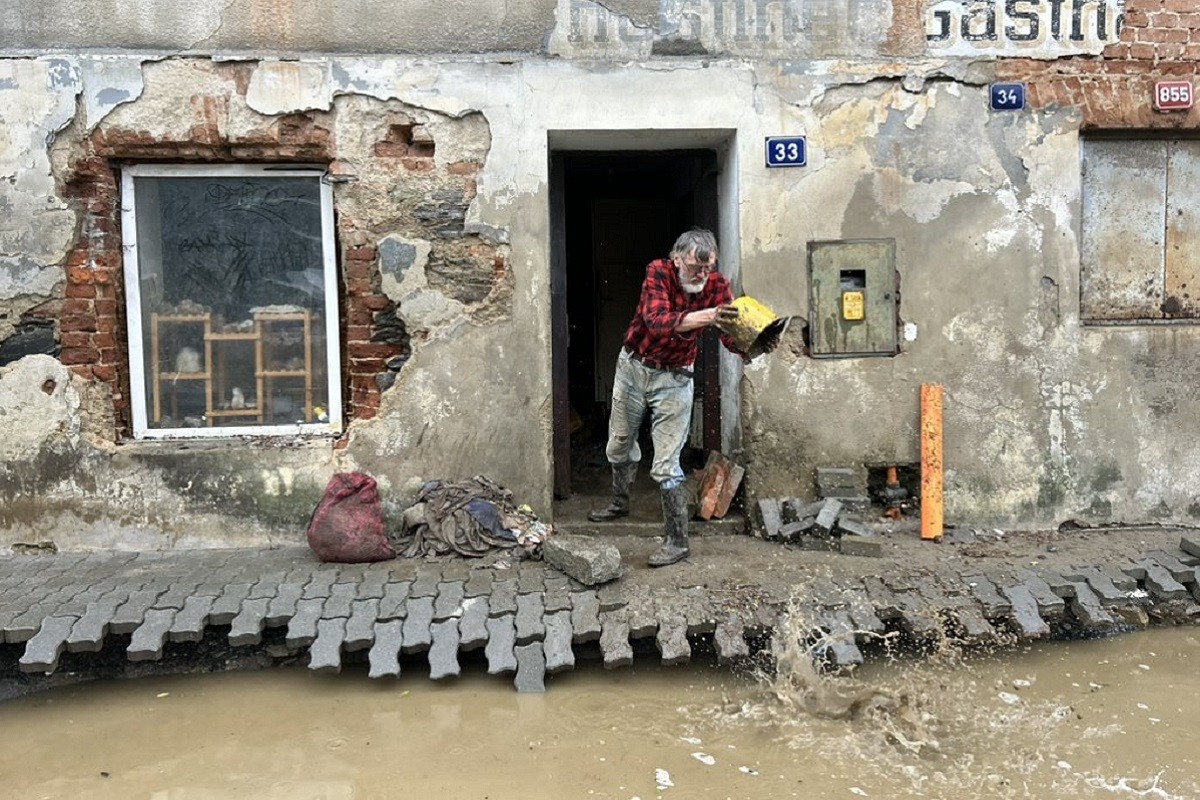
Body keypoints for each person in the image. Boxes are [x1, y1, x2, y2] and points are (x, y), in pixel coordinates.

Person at [588, 228, 771, 566]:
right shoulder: (657, 271)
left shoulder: (717, 286)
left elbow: (730, 336)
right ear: (676, 259)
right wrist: (710, 316)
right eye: (693, 268)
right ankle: (619, 501)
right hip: (633, 369)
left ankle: (677, 541)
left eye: (707, 268)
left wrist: (752, 345)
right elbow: (656, 321)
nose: (701, 275)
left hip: (675, 378)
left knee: (667, 462)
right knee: (619, 444)